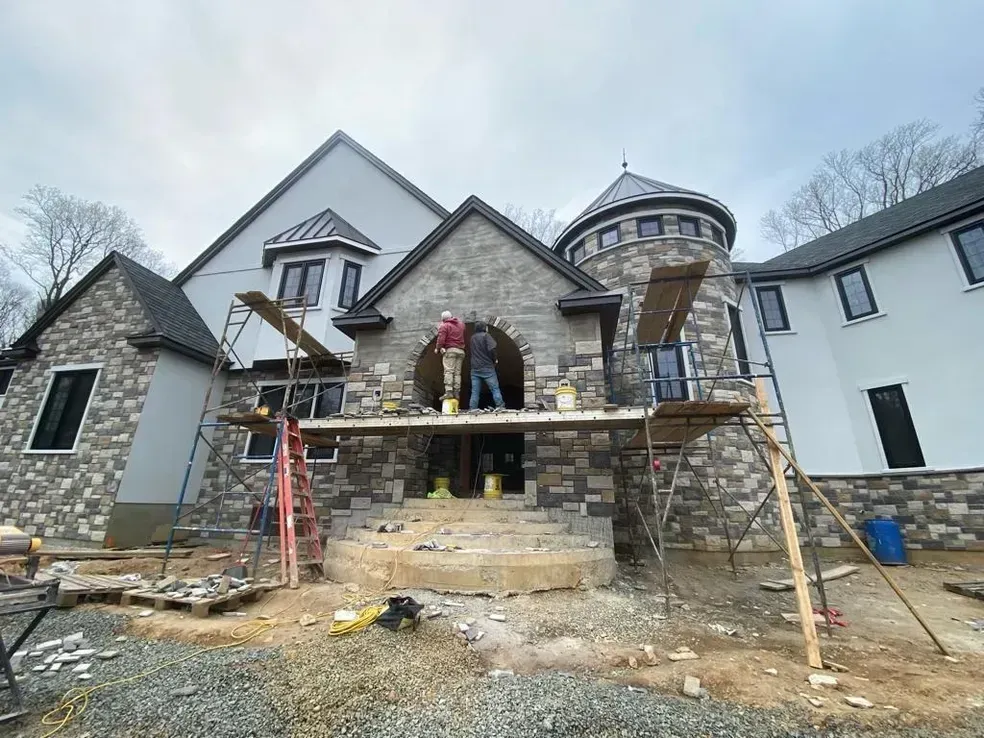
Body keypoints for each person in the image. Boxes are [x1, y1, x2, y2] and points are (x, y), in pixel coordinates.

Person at [468, 321, 505, 410]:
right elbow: (492, 349)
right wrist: (495, 359)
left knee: (475, 391)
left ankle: (472, 408)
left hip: (475, 368)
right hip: (487, 367)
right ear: (484, 328)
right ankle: (500, 406)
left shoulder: (472, 338)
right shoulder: (486, 336)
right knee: (495, 389)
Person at [435, 310, 465, 401]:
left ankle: (448, 392)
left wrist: (438, 348)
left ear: (443, 319)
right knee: (457, 373)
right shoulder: (461, 325)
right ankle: (456, 392)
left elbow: (441, 339)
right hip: (460, 351)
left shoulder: (444, 326)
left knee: (449, 371)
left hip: (450, 351)